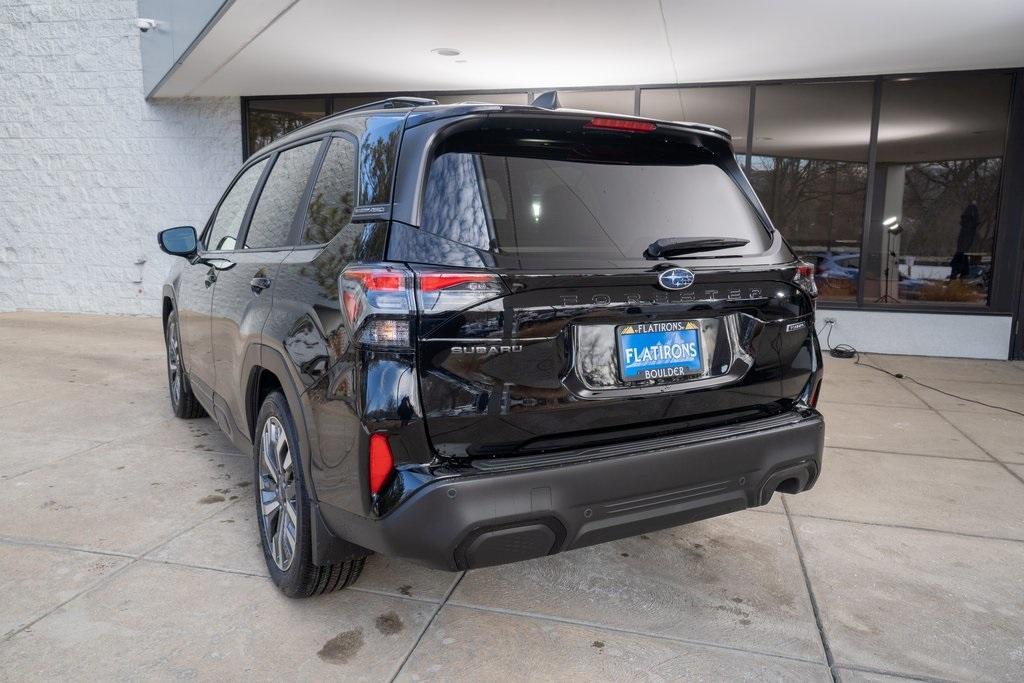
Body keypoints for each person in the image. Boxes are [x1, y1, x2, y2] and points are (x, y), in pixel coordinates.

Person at [949, 199, 978, 280]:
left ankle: (957, 277)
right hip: (963, 249)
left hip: (963, 249)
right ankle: (958, 277)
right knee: (961, 264)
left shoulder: (968, 223)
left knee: (960, 264)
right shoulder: (969, 224)